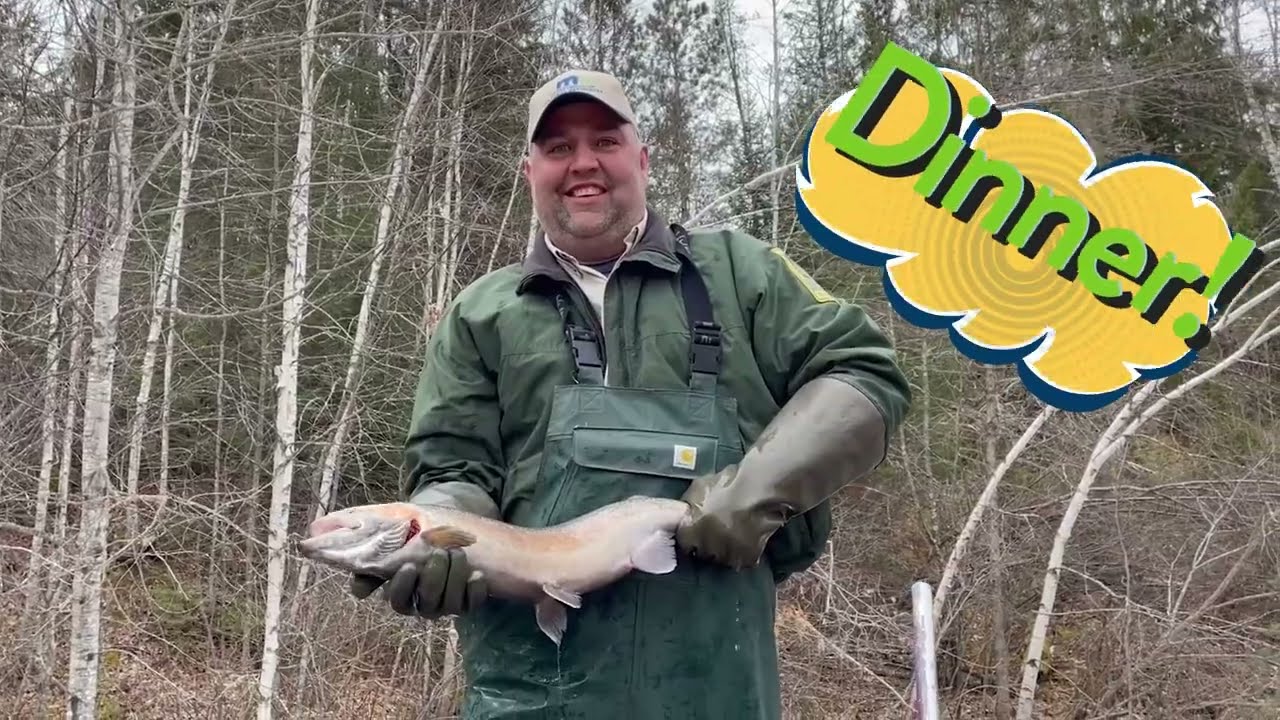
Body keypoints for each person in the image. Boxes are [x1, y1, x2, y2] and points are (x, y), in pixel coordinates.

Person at [349, 69, 912, 719]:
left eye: (605, 141)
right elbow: (452, 466)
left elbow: (864, 373)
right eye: (558, 147)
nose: (582, 163)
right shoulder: (480, 314)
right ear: (527, 170)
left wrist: (759, 489)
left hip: (716, 685)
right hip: (528, 691)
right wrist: (439, 532)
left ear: (642, 158)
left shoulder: (744, 274)